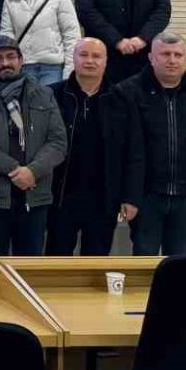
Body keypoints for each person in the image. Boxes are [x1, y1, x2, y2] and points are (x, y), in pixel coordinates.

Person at [0, 36, 67, 257]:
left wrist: (32, 171)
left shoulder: (43, 94)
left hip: (34, 194)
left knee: (30, 265)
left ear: (21, 60)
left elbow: (58, 142)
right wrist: (14, 169)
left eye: (10, 57)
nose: (5, 63)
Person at [114, 32, 186, 257]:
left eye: (178, 55)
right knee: (144, 258)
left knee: (181, 262)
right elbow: (121, 149)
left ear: (185, 59)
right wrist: (128, 195)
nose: (172, 60)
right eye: (165, 54)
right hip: (146, 196)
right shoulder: (128, 92)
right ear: (151, 58)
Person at [47, 39, 136, 257]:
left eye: (96, 56)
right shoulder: (51, 95)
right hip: (60, 195)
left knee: (96, 262)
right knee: (56, 259)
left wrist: (130, 197)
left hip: (103, 197)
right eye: (84, 55)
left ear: (106, 61)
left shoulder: (121, 99)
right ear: (73, 58)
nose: (89, 61)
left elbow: (134, 152)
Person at [0, 0, 80, 86]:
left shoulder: (60, 0)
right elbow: (7, 35)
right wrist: (11, 64)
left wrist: (70, 72)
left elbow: (71, 37)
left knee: (49, 99)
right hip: (23, 66)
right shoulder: (10, 1)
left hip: (53, 67)